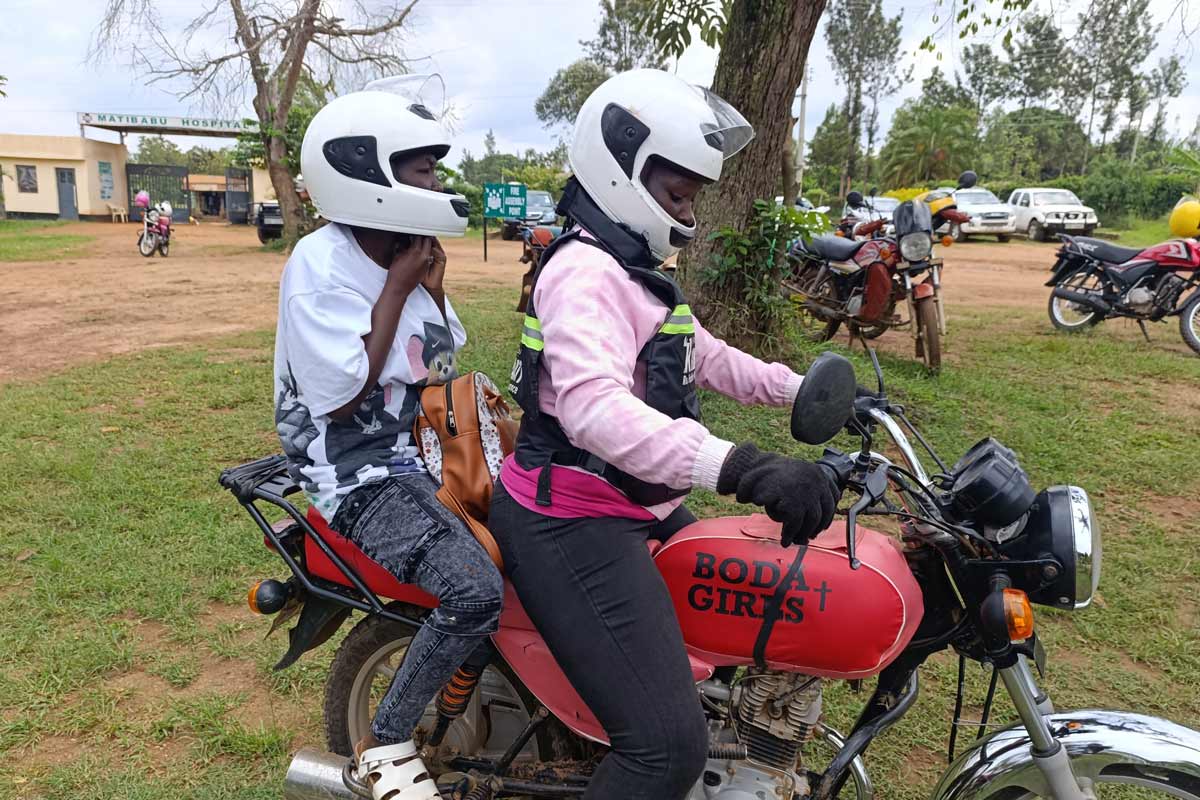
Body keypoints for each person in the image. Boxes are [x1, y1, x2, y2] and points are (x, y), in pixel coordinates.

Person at [488, 69, 843, 800]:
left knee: (743, 614)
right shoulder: (583, 274)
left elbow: (699, 354)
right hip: (567, 522)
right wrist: (742, 466)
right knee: (663, 750)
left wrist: (798, 390)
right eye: (676, 193)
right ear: (622, 168)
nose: (687, 209)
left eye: (690, 195)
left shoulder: (633, 270)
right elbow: (594, 412)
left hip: (628, 506)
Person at [275, 77, 500, 800]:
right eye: (421, 168)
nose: (435, 182)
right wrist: (399, 287)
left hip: (416, 456)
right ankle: (389, 741)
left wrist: (426, 287)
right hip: (353, 478)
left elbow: (442, 362)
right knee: (472, 592)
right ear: (365, 170)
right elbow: (339, 398)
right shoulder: (322, 264)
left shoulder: (405, 247)